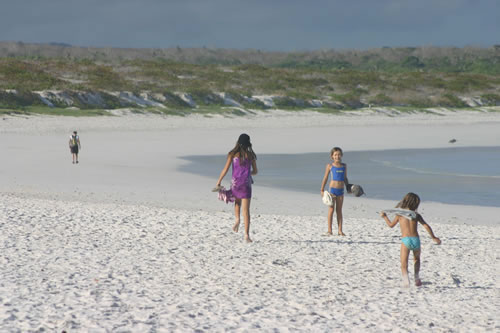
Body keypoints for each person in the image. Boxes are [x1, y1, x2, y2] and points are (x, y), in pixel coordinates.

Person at [380, 192, 441, 287]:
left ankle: (406, 281)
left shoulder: (399, 215)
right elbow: (426, 226)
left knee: (404, 264)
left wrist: (384, 217)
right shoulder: (416, 215)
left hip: (406, 240)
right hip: (416, 240)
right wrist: (433, 237)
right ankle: (416, 279)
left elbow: (391, 225)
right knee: (417, 259)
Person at [215, 134, 258, 242]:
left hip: (236, 183)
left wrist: (218, 181)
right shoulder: (250, 156)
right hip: (246, 184)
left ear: (238, 142)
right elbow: (255, 171)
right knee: (246, 210)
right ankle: (247, 235)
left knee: (237, 202)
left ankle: (237, 219)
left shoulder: (232, 154)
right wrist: (248, 174)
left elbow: (225, 169)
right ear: (248, 143)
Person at [320, 147, 350, 236]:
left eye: (339, 154)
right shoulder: (330, 166)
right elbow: (325, 178)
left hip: (341, 191)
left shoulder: (344, 166)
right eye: (335, 155)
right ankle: (329, 230)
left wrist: (348, 187)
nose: (337, 156)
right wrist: (322, 189)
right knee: (331, 209)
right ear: (332, 156)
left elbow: (345, 178)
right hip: (332, 190)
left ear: (341, 155)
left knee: (339, 210)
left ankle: (340, 230)